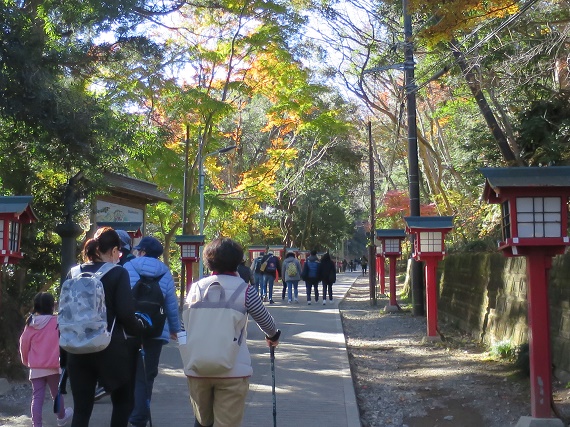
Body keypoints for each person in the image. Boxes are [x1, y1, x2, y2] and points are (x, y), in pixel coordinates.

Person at [185, 238, 281, 427]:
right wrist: (273, 337)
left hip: (197, 368)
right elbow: (267, 323)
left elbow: (184, 324)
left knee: (202, 422)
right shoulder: (245, 290)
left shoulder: (196, 288)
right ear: (237, 260)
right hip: (233, 370)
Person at [65, 227, 150, 427]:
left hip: (76, 348)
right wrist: (139, 328)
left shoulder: (74, 272)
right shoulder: (118, 273)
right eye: (118, 252)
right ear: (113, 250)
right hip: (110, 348)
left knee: (81, 410)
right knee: (122, 403)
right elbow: (125, 314)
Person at [123, 236, 182, 427]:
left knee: (129, 373)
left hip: (129, 329)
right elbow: (171, 305)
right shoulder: (165, 272)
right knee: (147, 375)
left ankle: (128, 412)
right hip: (155, 330)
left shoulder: (128, 268)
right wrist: (175, 329)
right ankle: (140, 417)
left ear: (143, 252)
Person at [19, 292, 74, 427]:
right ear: (52, 306)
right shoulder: (57, 321)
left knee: (37, 397)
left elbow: (23, 344)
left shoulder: (30, 324)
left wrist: (26, 361)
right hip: (53, 366)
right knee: (56, 394)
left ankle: (37, 424)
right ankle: (61, 417)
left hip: (36, 367)